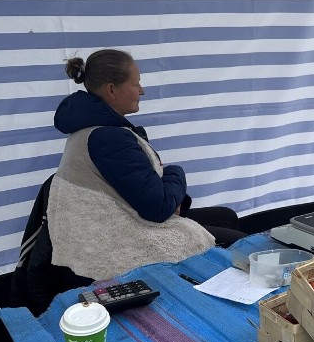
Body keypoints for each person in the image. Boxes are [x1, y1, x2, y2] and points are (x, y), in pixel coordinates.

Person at [46, 48, 246, 282]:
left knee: (225, 215)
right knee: (239, 243)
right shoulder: (108, 138)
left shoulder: (92, 129)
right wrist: (176, 172)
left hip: (126, 218)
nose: (142, 90)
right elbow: (158, 208)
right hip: (122, 238)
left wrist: (169, 195)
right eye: (136, 83)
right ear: (112, 89)